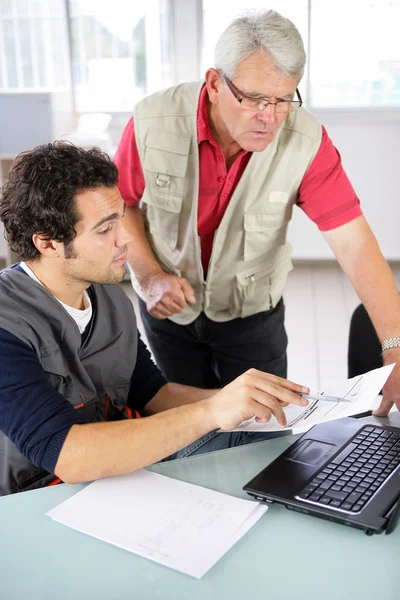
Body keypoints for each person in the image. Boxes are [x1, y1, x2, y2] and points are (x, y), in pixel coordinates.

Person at [114, 9, 400, 416]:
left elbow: (353, 243)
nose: (269, 117)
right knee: (183, 429)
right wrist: (147, 274)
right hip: (168, 310)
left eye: (283, 99)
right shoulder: (152, 122)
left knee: (264, 429)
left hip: (252, 315)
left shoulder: (306, 141)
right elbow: (122, 203)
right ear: (215, 84)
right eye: (254, 99)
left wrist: (395, 347)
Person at [0, 141, 311, 496]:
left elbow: (153, 393)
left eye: (120, 219)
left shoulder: (107, 295)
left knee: (271, 453)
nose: (126, 238)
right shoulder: (6, 325)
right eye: (105, 230)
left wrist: (241, 397)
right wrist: (211, 411)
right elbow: (68, 455)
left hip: (119, 476)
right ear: (48, 243)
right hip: (39, 497)